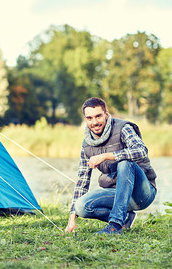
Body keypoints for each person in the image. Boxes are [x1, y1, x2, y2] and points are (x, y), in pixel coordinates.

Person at [65, 97, 157, 235]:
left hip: (142, 193)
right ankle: (125, 218)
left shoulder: (123, 128)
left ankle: (114, 226)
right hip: (117, 193)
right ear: (85, 119)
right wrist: (72, 219)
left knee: (125, 163)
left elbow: (141, 150)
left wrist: (105, 156)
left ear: (106, 114)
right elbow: (82, 182)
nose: (94, 122)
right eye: (89, 118)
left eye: (98, 116)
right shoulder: (87, 145)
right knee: (81, 207)